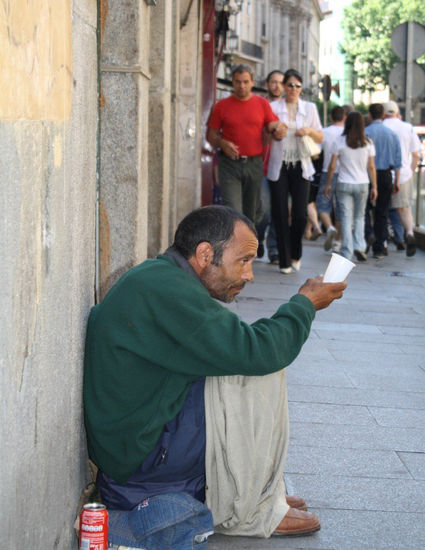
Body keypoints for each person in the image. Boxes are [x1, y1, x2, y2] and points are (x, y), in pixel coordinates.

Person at [84, 206, 346, 546]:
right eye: (244, 260)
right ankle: (249, 510)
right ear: (205, 254)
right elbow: (257, 351)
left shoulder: (162, 278)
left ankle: (256, 492)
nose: (249, 275)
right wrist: (304, 306)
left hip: (134, 446)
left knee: (235, 361)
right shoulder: (168, 291)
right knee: (253, 372)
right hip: (140, 461)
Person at [206, 64, 286, 222]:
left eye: (245, 82)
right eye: (238, 82)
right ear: (233, 82)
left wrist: (278, 128)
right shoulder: (221, 106)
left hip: (254, 164)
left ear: (252, 82)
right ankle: (237, 246)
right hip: (229, 165)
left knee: (251, 214)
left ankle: (250, 246)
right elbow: (211, 135)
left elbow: (271, 124)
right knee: (233, 212)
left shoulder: (262, 104)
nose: (241, 86)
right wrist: (222, 144)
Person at [267, 68, 323, 274]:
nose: (293, 89)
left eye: (297, 86)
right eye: (289, 85)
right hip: (279, 164)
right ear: (283, 87)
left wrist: (308, 130)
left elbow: (321, 137)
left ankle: (296, 253)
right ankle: (283, 260)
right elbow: (265, 132)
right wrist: (275, 133)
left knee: (300, 214)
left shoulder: (309, 108)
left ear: (301, 88)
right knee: (280, 212)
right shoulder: (273, 107)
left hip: (302, 165)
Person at [325, 111, 377, 262]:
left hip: (344, 183)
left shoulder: (340, 141)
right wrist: (375, 187)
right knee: (360, 216)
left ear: (347, 123)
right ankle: (360, 246)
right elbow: (372, 167)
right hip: (362, 184)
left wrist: (328, 184)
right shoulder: (368, 143)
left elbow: (332, 166)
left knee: (346, 218)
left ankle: (347, 251)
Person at [383, 100, 422, 257]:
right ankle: (410, 233)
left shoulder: (380, 126)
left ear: (384, 112)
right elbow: (416, 155)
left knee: (382, 209)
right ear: (397, 113)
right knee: (404, 208)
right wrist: (411, 173)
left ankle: (383, 242)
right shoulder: (407, 128)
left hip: (383, 173)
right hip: (404, 173)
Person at [364, 103, 402, 259]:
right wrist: (397, 181)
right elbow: (398, 161)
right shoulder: (391, 134)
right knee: (383, 211)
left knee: (364, 210)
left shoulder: (365, 132)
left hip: (367, 174)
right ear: (383, 115)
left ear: (370, 115)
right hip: (386, 175)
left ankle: (368, 236)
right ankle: (379, 247)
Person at [256, 69, 285, 264]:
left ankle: (274, 249)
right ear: (267, 84)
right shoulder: (260, 105)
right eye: (273, 82)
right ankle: (256, 238)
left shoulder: (287, 108)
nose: (277, 86)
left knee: (279, 210)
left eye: (280, 82)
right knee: (263, 209)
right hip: (262, 165)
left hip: (283, 167)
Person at [316, 105, 346, 252]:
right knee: (341, 208)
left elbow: (316, 152)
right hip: (345, 174)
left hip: (327, 171)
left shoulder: (324, 132)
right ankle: (338, 241)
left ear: (330, 117)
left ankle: (329, 227)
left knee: (323, 204)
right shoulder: (347, 134)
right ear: (344, 118)